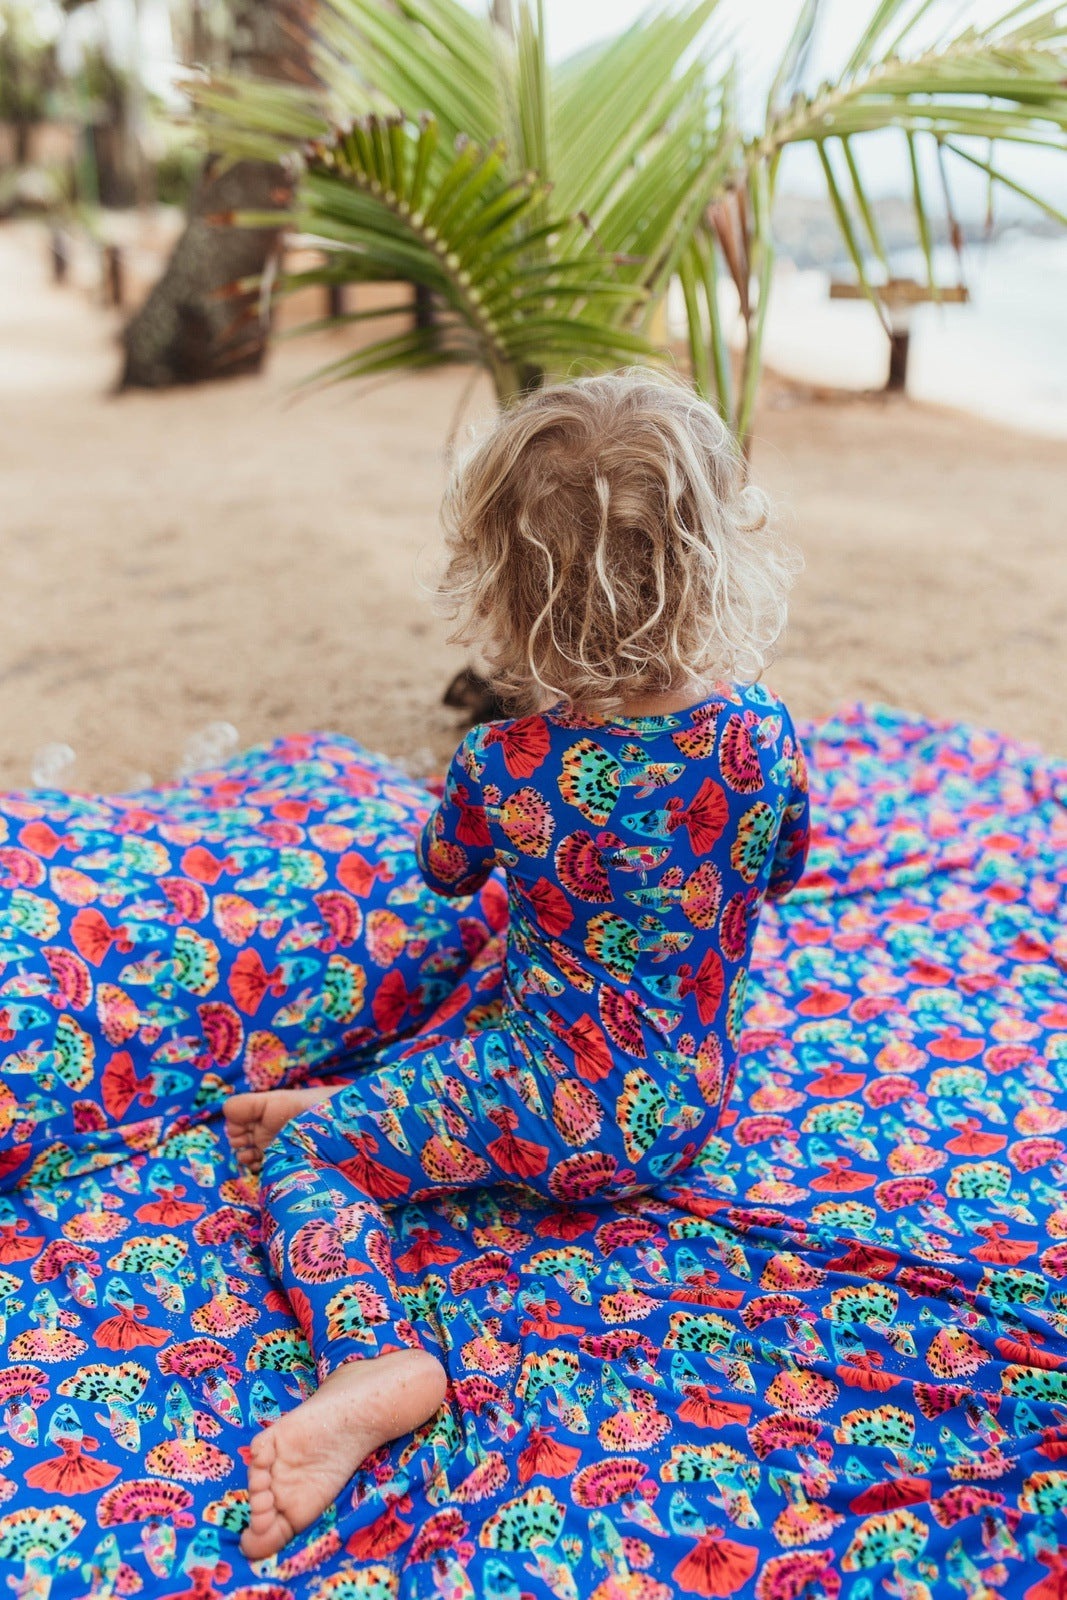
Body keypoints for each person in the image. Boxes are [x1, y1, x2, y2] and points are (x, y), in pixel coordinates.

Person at [225, 369, 810, 1560]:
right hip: (690, 1096)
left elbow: (445, 872)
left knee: (312, 1151)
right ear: (713, 556)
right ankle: (368, 1105)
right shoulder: (762, 735)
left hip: (540, 1105)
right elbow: (784, 867)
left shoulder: (505, 762)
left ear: (508, 590)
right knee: (517, 973)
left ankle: (374, 1359)